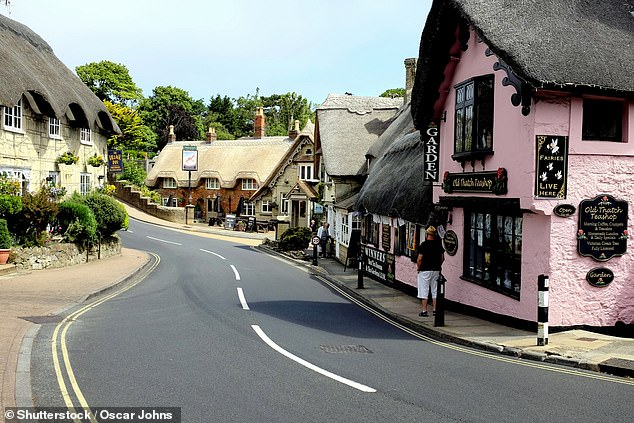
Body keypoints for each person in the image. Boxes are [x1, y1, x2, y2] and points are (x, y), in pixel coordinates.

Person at [416, 226, 445, 317]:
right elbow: (442, 258)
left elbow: (420, 259)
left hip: (424, 270)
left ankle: (424, 311)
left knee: (424, 290)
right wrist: (438, 265)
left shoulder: (423, 245)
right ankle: (435, 311)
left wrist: (418, 268)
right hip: (436, 270)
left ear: (427, 234)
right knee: (435, 290)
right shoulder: (438, 245)